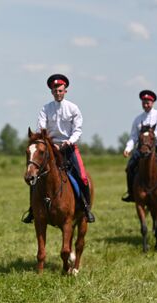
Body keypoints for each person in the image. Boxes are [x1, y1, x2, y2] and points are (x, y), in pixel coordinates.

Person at [22, 74, 95, 224]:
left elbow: (78, 130)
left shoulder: (73, 108)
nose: (58, 93)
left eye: (60, 90)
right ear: (51, 92)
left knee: (82, 177)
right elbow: (41, 128)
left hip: (69, 148)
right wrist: (48, 143)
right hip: (50, 148)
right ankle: (32, 210)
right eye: (55, 91)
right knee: (35, 177)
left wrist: (69, 141)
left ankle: (86, 209)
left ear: (65, 90)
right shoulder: (46, 109)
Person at [121, 90, 157, 202]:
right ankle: (131, 193)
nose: (146, 104)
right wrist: (128, 148)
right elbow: (133, 136)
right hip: (141, 149)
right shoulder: (137, 119)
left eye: (148, 102)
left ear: (153, 102)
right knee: (130, 168)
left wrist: (151, 136)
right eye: (144, 102)